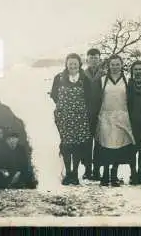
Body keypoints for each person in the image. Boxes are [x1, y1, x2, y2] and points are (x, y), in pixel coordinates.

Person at [50, 53, 93, 185]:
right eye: (70, 63)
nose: (72, 66)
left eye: (75, 63)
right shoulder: (59, 77)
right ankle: (68, 173)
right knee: (67, 145)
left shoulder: (84, 79)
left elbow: (89, 96)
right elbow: (53, 95)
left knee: (78, 145)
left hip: (80, 117)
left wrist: (79, 109)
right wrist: (64, 108)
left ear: (79, 64)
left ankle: (75, 173)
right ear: (66, 64)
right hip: (64, 117)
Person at [95, 54, 135, 187]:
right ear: (108, 65)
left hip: (122, 116)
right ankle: (105, 175)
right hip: (106, 116)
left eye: (117, 64)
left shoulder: (128, 79)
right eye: (112, 64)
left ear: (122, 65)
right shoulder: (102, 80)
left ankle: (114, 174)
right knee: (106, 147)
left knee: (118, 146)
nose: (115, 67)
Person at [127, 60, 141, 186]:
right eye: (135, 69)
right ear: (132, 71)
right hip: (131, 122)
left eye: (140, 69)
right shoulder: (128, 85)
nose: (138, 72)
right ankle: (133, 173)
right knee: (132, 150)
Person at [84, 48, 105, 180]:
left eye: (96, 58)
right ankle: (87, 169)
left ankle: (97, 169)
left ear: (99, 60)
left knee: (99, 142)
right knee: (87, 143)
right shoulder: (83, 75)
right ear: (87, 60)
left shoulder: (104, 75)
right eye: (91, 58)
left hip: (100, 113)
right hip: (86, 114)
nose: (93, 60)